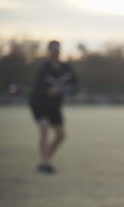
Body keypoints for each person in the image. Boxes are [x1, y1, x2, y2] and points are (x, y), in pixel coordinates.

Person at [29, 40, 78, 174]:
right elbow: (38, 89)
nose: (55, 53)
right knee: (44, 129)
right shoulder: (43, 68)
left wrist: (69, 91)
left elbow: (74, 84)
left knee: (61, 136)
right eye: (53, 50)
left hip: (54, 105)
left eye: (57, 50)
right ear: (49, 51)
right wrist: (49, 91)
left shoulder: (66, 68)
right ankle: (45, 163)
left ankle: (45, 160)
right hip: (39, 103)